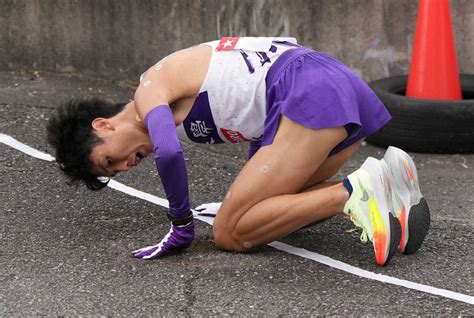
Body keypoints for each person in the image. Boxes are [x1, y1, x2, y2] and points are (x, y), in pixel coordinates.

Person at [46, 37, 430, 266]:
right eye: (116, 172)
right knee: (266, 211)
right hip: (327, 83)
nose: (126, 166)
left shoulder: (149, 91)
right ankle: (391, 184)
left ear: (103, 125)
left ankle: (353, 191)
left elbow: (167, 152)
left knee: (231, 233)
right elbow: (258, 117)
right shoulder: (178, 93)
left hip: (307, 89)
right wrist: (239, 198)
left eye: (110, 160)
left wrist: (182, 223)